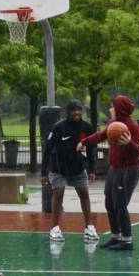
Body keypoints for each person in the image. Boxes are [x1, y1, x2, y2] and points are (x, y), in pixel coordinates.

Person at [77, 95, 139, 251]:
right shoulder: (112, 124)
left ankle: (127, 241)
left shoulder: (133, 127)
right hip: (115, 169)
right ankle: (116, 236)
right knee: (109, 202)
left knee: (120, 204)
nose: (110, 109)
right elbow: (100, 135)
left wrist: (130, 144)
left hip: (128, 169)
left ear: (119, 109)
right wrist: (84, 142)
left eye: (112, 106)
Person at [41, 99, 99, 244]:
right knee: (58, 192)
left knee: (84, 194)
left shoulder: (87, 127)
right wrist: (43, 172)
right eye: (74, 109)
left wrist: (92, 169)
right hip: (58, 168)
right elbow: (47, 150)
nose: (77, 112)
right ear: (69, 112)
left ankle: (89, 228)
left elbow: (92, 150)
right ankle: (55, 229)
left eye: (79, 109)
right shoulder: (59, 127)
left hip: (78, 168)